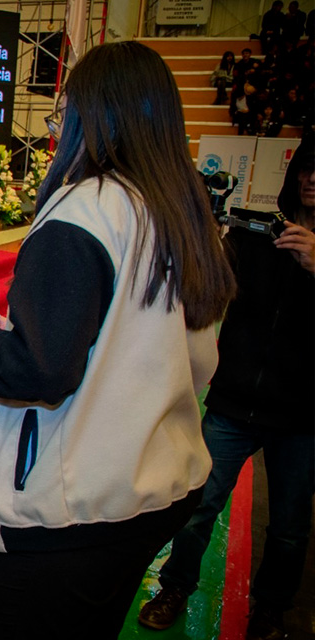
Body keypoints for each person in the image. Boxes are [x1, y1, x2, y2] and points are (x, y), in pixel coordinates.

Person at [0, 41, 236, 639]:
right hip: (154, 482)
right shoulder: (176, 208)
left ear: (89, 117)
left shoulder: (87, 211)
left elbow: (40, 370)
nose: (57, 131)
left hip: (74, 507)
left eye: (61, 115)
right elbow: (197, 356)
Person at [137, 137, 314, 640]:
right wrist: (207, 243)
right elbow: (204, 294)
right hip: (234, 402)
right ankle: (174, 587)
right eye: (306, 168)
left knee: (289, 525)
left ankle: (272, 609)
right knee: (197, 505)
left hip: (303, 414)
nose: (312, 179)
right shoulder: (257, 234)